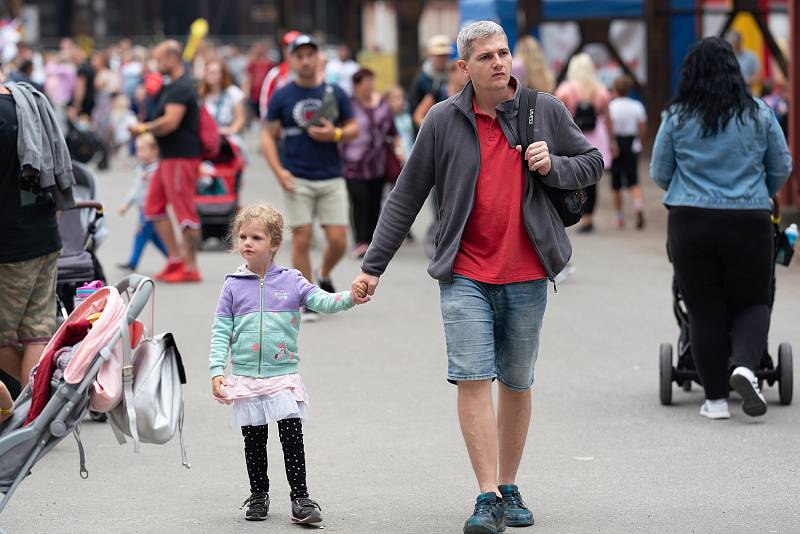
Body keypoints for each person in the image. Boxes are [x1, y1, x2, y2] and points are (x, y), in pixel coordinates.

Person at [352, 21, 602, 534]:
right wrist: (373, 266)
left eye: (504, 53)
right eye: (486, 56)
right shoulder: (443, 121)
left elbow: (593, 162)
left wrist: (552, 165)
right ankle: (487, 495)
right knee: (472, 376)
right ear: (464, 67)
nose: (499, 62)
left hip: (528, 272)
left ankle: (509, 484)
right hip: (465, 273)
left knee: (516, 380)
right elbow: (407, 194)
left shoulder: (544, 110)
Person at [650, 37, 792, 420]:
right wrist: (757, 191)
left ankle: (714, 400)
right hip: (748, 220)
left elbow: (659, 172)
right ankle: (745, 366)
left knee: (703, 307)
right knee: (753, 300)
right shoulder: (760, 113)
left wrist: (690, 188)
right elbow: (781, 166)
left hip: (690, 221)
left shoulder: (676, 117)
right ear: (736, 73)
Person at [208, 204, 368, 524]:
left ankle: (301, 499)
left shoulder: (292, 280)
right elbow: (220, 330)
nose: (247, 243)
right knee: (254, 441)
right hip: (247, 378)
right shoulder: (232, 285)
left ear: (275, 244)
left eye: (256, 237)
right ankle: (258, 495)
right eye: (242, 237)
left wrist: (350, 296)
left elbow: (322, 300)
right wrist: (216, 370)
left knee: (291, 437)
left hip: (282, 376)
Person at [261, 34, 358, 322]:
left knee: (339, 239)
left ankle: (323, 274)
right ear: (291, 60)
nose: (305, 61)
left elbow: (353, 127)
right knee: (301, 238)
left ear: (318, 58)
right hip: (297, 176)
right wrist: (278, 171)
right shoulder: (282, 95)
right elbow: (267, 135)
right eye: (299, 55)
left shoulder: (335, 92)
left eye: (309, 55)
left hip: (331, 176)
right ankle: (305, 297)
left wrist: (335, 134)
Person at [0, 67, 68, 391]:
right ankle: (37, 412)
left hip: (10, 244)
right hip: (45, 235)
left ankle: (32, 407)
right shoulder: (32, 104)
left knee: (1, 337)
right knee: (37, 331)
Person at [130, 40, 203, 283]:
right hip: (168, 156)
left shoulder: (181, 86)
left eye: (160, 59)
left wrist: (143, 129)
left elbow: (170, 122)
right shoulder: (170, 86)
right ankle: (175, 259)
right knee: (153, 208)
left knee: (185, 212)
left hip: (181, 156)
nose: (156, 64)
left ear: (173, 58)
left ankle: (191, 267)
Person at [341, 68, 400, 258]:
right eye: (364, 82)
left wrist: (399, 150)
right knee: (359, 200)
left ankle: (372, 240)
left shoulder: (382, 104)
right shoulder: (348, 106)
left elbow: (392, 129)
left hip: (378, 162)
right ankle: (360, 240)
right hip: (353, 163)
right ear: (356, 85)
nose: (369, 86)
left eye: (371, 81)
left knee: (375, 202)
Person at [555, 53, 616, 233]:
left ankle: (573, 212)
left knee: (573, 178)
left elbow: (557, 115)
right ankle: (588, 217)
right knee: (592, 180)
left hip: (573, 137)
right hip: (595, 138)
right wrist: (613, 141)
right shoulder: (600, 90)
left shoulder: (565, 90)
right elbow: (607, 119)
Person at [117, 133, 168, 271]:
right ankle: (173, 258)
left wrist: (151, 177)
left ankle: (133, 262)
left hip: (152, 210)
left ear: (154, 151)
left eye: (142, 149)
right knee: (153, 237)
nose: (139, 153)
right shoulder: (140, 169)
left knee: (141, 234)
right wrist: (126, 204)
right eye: (137, 149)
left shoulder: (157, 169)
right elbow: (135, 189)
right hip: (142, 209)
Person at [608, 74, 646, 230]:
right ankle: (638, 206)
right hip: (631, 142)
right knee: (633, 179)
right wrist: (640, 141)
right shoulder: (637, 106)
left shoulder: (611, 107)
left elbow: (608, 128)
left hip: (616, 143)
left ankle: (620, 217)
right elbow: (642, 126)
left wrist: (611, 143)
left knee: (616, 183)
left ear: (615, 90)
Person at [200, 59, 247, 145]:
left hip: (228, 138)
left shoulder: (233, 92)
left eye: (214, 72)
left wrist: (231, 130)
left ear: (222, 75)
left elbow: (240, 118)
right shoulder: (201, 95)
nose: (210, 75)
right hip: (207, 139)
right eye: (208, 72)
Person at [258, 30, 301, 120]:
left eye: (294, 47)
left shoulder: (313, 74)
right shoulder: (275, 74)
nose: (290, 51)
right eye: (286, 47)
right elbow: (265, 102)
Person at [408, 34, 452, 122]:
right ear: (430, 55)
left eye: (444, 55)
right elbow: (414, 108)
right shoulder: (421, 79)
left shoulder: (453, 76)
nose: (441, 59)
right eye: (438, 56)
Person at [413, 60, 470, 127]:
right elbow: (418, 116)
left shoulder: (469, 94)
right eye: (462, 71)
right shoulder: (438, 92)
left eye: (467, 71)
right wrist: (433, 129)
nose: (466, 74)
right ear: (451, 73)